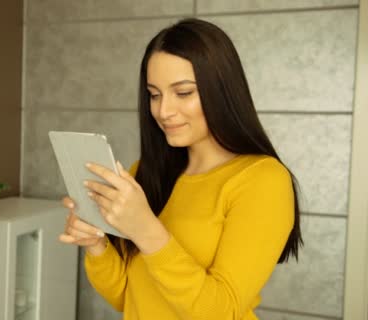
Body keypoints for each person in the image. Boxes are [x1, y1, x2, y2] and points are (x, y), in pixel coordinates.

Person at [58, 18, 302, 320]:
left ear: (222, 91)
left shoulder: (262, 180)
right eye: (155, 94)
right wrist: (96, 243)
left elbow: (221, 311)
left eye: (183, 93)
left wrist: (146, 228)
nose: (163, 111)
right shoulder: (146, 173)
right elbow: (126, 297)